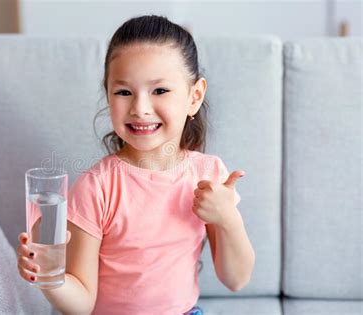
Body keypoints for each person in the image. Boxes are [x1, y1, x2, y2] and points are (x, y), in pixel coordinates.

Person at [17, 15, 255, 315]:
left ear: (194, 96)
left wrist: (228, 219)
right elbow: (82, 303)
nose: (140, 109)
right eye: (124, 92)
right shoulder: (97, 186)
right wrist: (48, 277)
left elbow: (237, 279)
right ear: (108, 95)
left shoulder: (208, 176)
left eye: (159, 91)